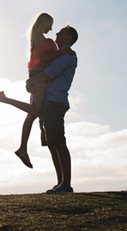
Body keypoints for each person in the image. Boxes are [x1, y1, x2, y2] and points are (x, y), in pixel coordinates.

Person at [0, 13, 73, 168]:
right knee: (35, 111)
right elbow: (44, 58)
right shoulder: (40, 37)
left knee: (32, 114)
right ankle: (3, 98)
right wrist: (61, 52)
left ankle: (23, 148)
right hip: (39, 75)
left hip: (36, 74)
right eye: (50, 25)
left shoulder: (38, 37)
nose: (51, 29)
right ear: (44, 23)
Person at [26, 25, 78, 193]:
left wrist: (31, 81)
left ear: (69, 38)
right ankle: (60, 183)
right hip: (48, 102)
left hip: (54, 102)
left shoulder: (67, 54)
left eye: (61, 33)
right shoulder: (60, 54)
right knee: (52, 144)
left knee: (58, 143)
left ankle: (66, 184)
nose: (57, 33)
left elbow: (50, 73)